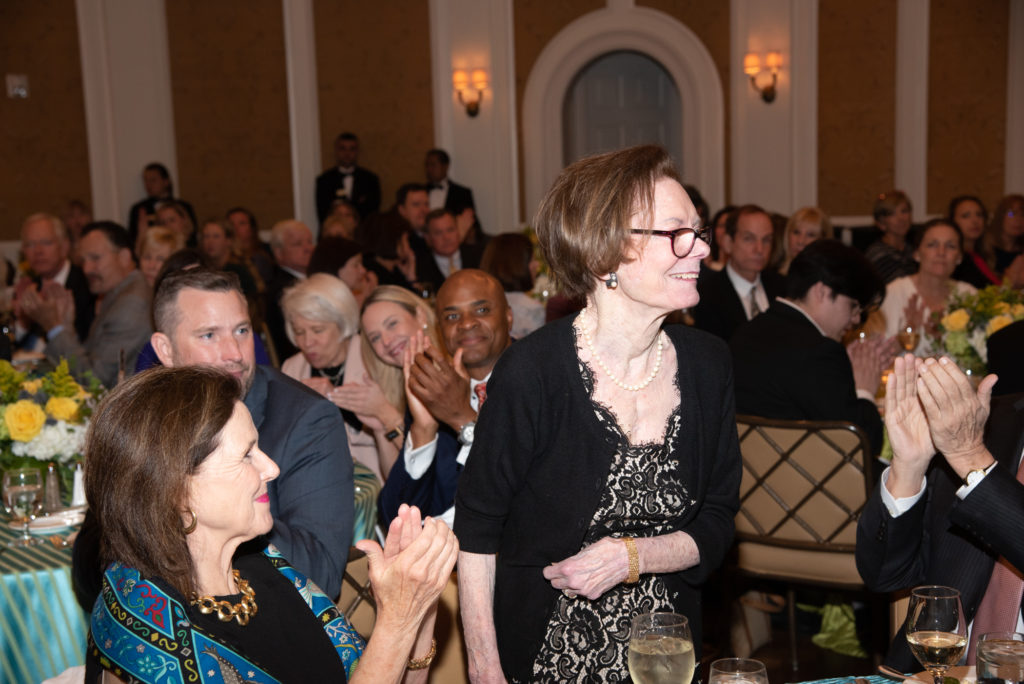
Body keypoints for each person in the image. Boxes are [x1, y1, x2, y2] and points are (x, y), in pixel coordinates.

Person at [455, 145, 741, 682]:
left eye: (699, 231)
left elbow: (719, 521)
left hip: (666, 659)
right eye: (677, 232)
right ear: (605, 254)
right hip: (546, 655)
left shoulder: (709, 364)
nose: (702, 248)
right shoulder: (532, 372)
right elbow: (477, 528)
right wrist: (484, 665)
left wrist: (634, 557)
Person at [85, 365, 457, 683]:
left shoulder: (263, 563)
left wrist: (417, 606)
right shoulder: (143, 623)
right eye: (246, 456)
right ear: (177, 492)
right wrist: (397, 620)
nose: (272, 468)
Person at [855, 354, 1024, 671]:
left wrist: (970, 456)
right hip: (935, 669)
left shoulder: (968, 442)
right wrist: (908, 468)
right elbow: (883, 575)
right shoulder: (983, 419)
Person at [730, 239, 890, 454]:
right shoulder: (819, 352)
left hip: (747, 469)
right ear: (822, 291)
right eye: (853, 306)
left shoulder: (746, 332)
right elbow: (863, 446)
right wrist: (864, 390)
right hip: (799, 472)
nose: (855, 319)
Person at [381, 269, 512, 528]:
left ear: (508, 316)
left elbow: (528, 490)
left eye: (481, 310)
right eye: (452, 316)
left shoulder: (543, 379)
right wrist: (423, 431)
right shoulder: (436, 388)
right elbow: (394, 518)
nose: (466, 323)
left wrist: (462, 418)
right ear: (440, 330)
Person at [280, 273, 392, 481]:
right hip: (315, 480)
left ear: (342, 324)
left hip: (374, 481)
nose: (307, 342)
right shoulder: (292, 367)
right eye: (299, 332)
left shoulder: (374, 359)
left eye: (317, 330)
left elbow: (395, 431)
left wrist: (336, 400)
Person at [332, 286, 446, 482]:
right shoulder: (397, 387)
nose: (386, 341)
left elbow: (438, 468)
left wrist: (387, 415)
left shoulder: (453, 373)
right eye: (375, 337)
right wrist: (379, 426)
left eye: (392, 324)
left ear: (420, 316)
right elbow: (395, 479)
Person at [20, 221, 151, 388]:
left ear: (124, 257)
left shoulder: (131, 304)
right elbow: (89, 360)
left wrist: (53, 326)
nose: (87, 269)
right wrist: (66, 327)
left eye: (95, 258)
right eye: (83, 261)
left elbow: (96, 382)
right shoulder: (119, 293)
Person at [876, 218, 976, 356]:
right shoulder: (893, 293)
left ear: (959, 257)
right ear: (917, 254)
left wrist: (942, 337)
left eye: (950, 246)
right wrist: (908, 333)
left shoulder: (969, 295)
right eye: (932, 245)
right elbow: (876, 357)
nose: (941, 252)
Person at [692, 204, 785, 341]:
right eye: (749, 238)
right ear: (728, 242)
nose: (760, 249)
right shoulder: (708, 295)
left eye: (766, 240)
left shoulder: (783, 288)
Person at [14, 212, 95, 346]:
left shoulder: (87, 285)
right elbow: (11, 344)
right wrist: (23, 323)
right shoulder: (29, 288)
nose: (38, 251)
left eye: (46, 242)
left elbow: (88, 346)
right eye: (30, 244)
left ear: (64, 246)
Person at [265, 220, 315, 361]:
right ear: (279, 253)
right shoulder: (283, 289)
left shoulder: (311, 279)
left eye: (310, 242)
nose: (308, 248)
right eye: (298, 244)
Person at [480, 232, 545, 339]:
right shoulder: (531, 309)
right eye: (532, 259)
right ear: (518, 264)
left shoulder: (482, 304)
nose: (536, 264)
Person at [316, 132, 382, 225]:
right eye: (343, 148)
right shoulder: (324, 180)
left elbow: (373, 213)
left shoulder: (370, 180)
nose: (347, 153)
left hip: (363, 231)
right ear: (336, 151)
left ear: (357, 151)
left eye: (352, 149)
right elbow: (323, 214)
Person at [127, 162, 196, 245]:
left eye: (153, 180)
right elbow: (132, 239)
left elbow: (192, 237)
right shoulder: (139, 209)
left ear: (166, 181)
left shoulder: (184, 206)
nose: (148, 185)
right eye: (145, 180)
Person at [413, 208, 482, 290]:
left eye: (450, 230)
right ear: (428, 238)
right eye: (438, 233)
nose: (446, 237)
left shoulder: (479, 256)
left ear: (458, 230)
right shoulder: (419, 267)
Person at [308, 236, 377, 307]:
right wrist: (364, 298)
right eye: (356, 265)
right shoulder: (319, 302)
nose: (363, 270)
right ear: (336, 268)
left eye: (361, 264)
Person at [865, 190, 917, 283]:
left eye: (904, 211)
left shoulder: (912, 249)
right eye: (892, 214)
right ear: (881, 223)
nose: (901, 218)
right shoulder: (878, 254)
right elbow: (903, 286)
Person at [948, 195, 999, 288]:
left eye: (979, 215)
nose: (975, 221)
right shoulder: (954, 260)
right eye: (966, 216)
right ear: (953, 222)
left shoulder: (986, 254)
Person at [777, 206, 833, 275]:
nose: (801, 241)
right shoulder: (772, 277)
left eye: (810, 235)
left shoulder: (833, 278)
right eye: (796, 232)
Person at [984, 194, 1024, 288]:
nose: (1018, 219)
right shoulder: (984, 245)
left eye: (1023, 215)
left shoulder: (1021, 253)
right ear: (1000, 216)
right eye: (1012, 214)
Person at [425, 148, 475, 213]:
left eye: (433, 165)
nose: (429, 169)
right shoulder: (422, 191)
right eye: (427, 165)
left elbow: (471, 218)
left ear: (445, 166)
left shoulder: (462, 194)